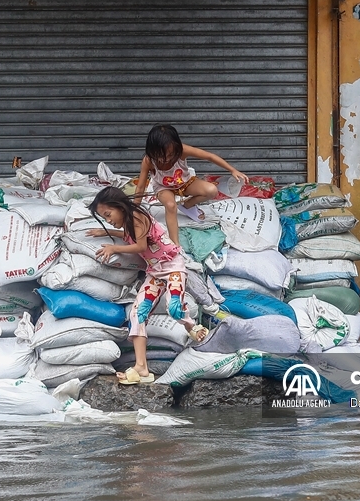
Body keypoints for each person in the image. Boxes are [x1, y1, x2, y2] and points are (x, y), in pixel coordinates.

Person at [87, 186, 209, 384]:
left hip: (172, 266)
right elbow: (128, 234)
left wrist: (113, 247)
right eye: (105, 218)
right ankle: (141, 368)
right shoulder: (127, 221)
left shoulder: (137, 216)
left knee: (174, 308)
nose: (109, 220)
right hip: (155, 273)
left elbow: (141, 246)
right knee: (137, 314)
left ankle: (192, 327)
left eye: (108, 215)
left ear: (119, 206)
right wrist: (105, 231)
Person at [135, 124, 250, 246]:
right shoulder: (148, 161)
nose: (166, 160)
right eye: (161, 156)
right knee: (170, 205)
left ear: (176, 148)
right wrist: (134, 209)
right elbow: (141, 186)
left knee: (212, 190)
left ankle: (187, 205)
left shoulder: (182, 150)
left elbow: (209, 156)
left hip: (185, 183)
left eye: (170, 155)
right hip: (163, 188)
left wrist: (233, 170)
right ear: (152, 151)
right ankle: (175, 244)